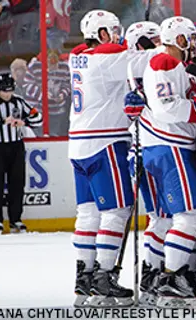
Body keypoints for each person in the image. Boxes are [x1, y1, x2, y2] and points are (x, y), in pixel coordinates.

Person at [68, 9, 158, 308]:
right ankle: (105, 275)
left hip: (78, 144)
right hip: (105, 142)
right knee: (116, 211)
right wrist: (149, 46)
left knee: (88, 213)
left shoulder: (77, 57)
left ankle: (85, 276)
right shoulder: (106, 60)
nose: (118, 36)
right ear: (103, 34)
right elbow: (152, 61)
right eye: (114, 31)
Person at [136, 15, 196, 308]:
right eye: (189, 37)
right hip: (171, 148)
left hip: (157, 148)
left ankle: (153, 276)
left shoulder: (169, 64)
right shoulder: (165, 62)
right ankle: (172, 279)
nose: (192, 43)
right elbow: (166, 109)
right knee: (191, 216)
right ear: (180, 39)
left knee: (164, 219)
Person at [122, 20, 167, 307]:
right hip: (151, 145)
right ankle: (153, 273)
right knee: (165, 218)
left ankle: (151, 272)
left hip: (139, 147)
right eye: (155, 39)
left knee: (158, 217)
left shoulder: (132, 62)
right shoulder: (149, 60)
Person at [0, 73, 42, 235]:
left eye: (10, 91)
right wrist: (2, 121)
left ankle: (15, 219)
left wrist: (24, 122)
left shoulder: (19, 101)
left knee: (17, 184)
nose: (7, 94)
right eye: (4, 91)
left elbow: (38, 118)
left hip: (16, 147)